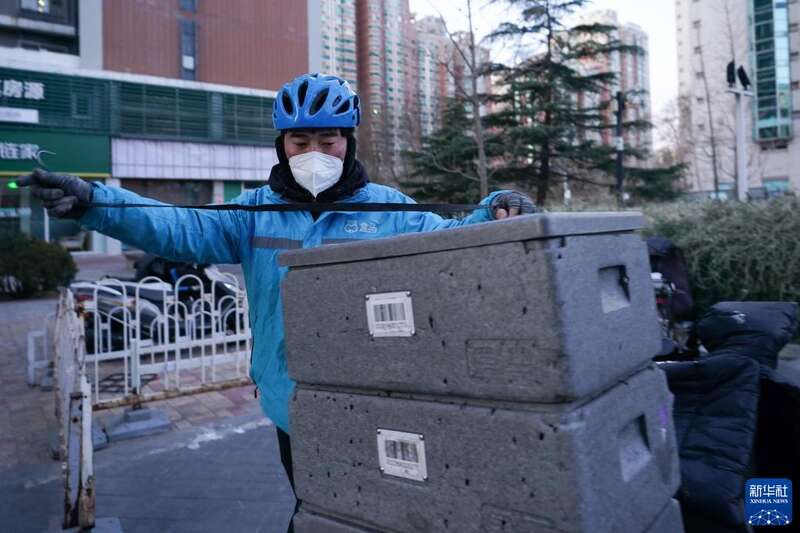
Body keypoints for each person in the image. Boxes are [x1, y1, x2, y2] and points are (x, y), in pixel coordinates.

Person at [18, 73, 535, 528]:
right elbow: (178, 226)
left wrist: (495, 210)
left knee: (377, 507)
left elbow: (450, 239)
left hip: (377, 397)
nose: (314, 153)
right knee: (320, 506)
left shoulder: (390, 210)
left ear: (349, 142)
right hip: (292, 402)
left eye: (328, 140)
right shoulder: (253, 212)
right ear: (281, 144)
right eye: (299, 140)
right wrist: (96, 202)